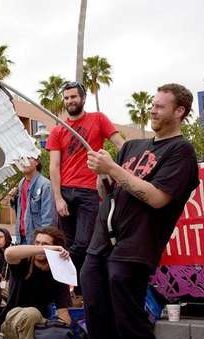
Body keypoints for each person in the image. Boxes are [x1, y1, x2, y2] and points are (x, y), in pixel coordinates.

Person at [80, 83, 200, 339]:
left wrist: (114, 171)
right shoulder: (132, 146)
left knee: (131, 323)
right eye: (153, 104)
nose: (153, 110)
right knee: (98, 320)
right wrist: (102, 174)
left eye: (161, 106)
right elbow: (113, 189)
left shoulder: (181, 152)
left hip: (136, 246)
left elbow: (158, 198)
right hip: (102, 242)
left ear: (179, 112)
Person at [46, 81, 125, 300]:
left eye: (74, 97)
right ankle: (73, 292)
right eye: (67, 98)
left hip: (89, 191)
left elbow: (120, 143)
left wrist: (131, 162)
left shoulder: (98, 119)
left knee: (83, 243)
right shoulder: (58, 130)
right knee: (67, 244)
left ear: (83, 98)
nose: (70, 101)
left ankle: (80, 288)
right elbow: (54, 166)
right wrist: (58, 198)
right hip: (65, 192)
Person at [0, 225, 71, 339]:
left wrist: (55, 336)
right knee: (32, 313)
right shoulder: (23, 262)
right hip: (11, 323)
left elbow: (64, 316)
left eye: (44, 244)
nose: (40, 248)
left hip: (38, 327)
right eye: (37, 243)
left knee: (39, 319)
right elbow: (8, 253)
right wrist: (48, 248)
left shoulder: (57, 273)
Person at [12, 156, 55, 244]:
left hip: (37, 240)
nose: (23, 162)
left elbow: (48, 218)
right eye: (21, 159)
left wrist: (43, 242)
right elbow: (21, 211)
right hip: (21, 238)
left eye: (28, 158)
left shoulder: (45, 185)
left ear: (37, 162)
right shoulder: (21, 183)